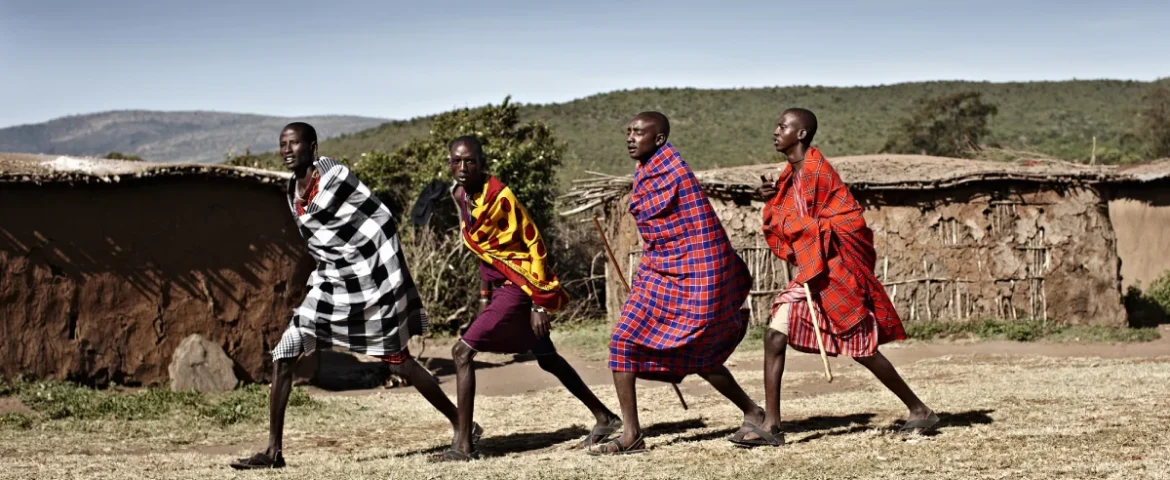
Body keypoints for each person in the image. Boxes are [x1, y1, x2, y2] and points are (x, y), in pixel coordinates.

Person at [231, 122, 467, 469]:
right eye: (282, 144)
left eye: (294, 144)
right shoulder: (290, 189)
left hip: (368, 285)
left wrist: (376, 267)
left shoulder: (335, 177)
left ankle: (461, 423)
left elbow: (379, 217)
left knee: (397, 361)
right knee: (284, 354)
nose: (286, 150)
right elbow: (318, 238)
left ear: (312, 147)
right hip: (328, 286)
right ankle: (273, 452)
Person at [738, 108, 938, 447]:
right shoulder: (791, 174)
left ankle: (920, 410)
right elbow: (791, 217)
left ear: (800, 134)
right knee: (774, 335)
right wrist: (773, 200)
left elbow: (849, 223)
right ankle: (771, 424)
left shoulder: (818, 171)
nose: (775, 131)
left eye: (782, 126)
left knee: (861, 348)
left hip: (835, 271)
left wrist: (807, 231)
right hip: (813, 268)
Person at [433, 136, 623, 461]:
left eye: (469, 162)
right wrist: (483, 297)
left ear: (482, 163)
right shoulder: (462, 196)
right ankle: (605, 418)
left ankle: (463, 446)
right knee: (547, 357)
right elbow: (486, 254)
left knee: (461, 352)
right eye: (456, 161)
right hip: (501, 288)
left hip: (521, 288)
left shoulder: (500, 198)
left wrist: (538, 302)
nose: (462, 168)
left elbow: (533, 244)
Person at [589, 112, 764, 455]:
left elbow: (697, 231)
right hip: (659, 271)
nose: (630, 138)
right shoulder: (645, 172)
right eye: (628, 132)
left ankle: (753, 411)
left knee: (699, 352)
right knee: (623, 343)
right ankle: (632, 434)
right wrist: (648, 272)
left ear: (658, 139)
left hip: (697, 271)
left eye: (638, 133)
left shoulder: (673, 172)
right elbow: (659, 237)